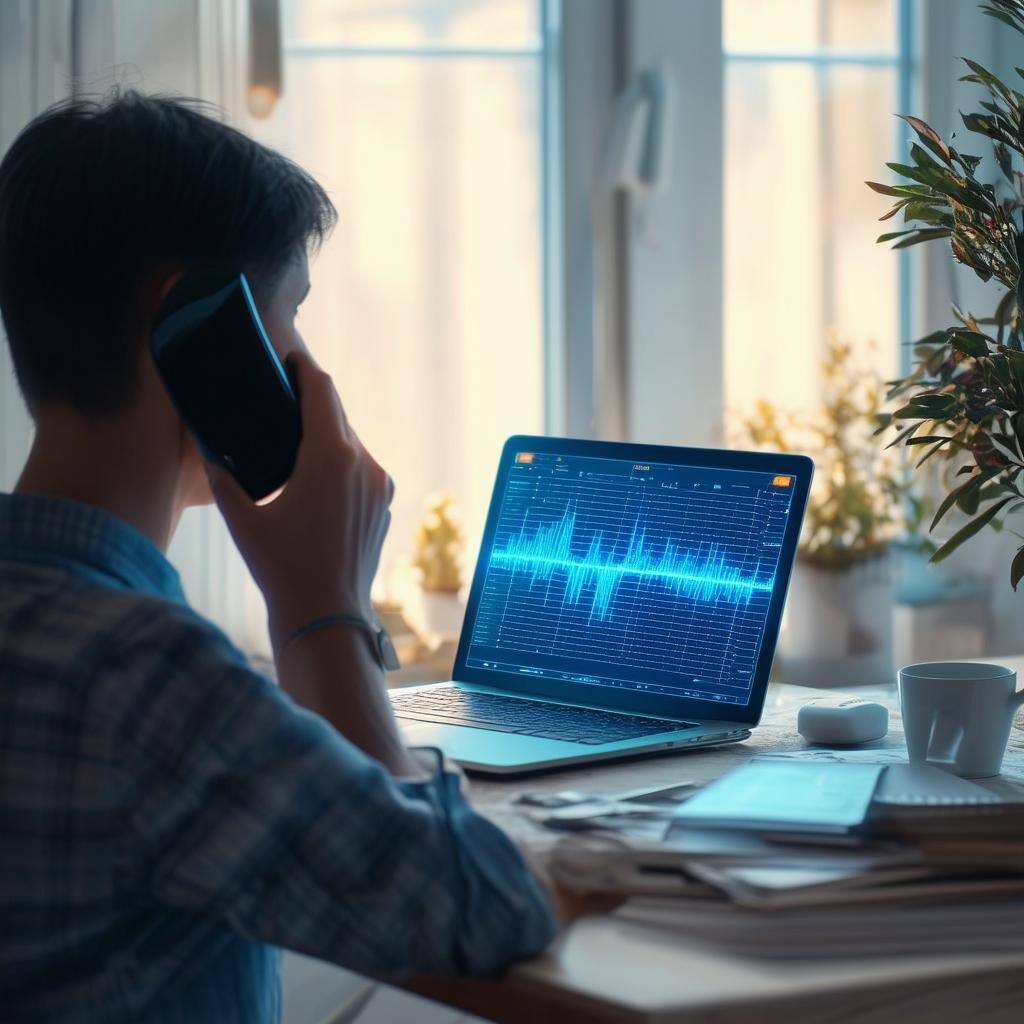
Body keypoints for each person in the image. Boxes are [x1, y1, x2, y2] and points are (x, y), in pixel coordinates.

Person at [0, 91, 559, 1022]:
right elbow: (478, 913)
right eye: (290, 312)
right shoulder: (141, 674)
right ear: (193, 319)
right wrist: (321, 610)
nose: (304, 359)